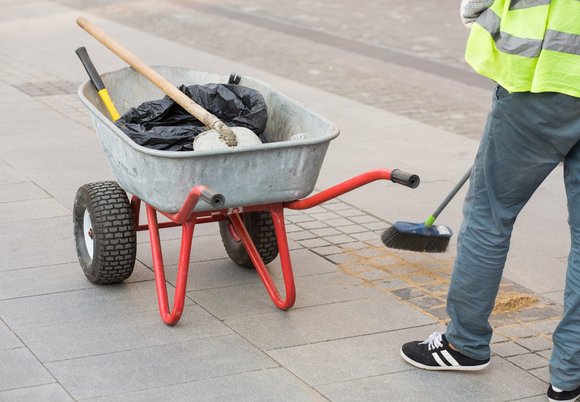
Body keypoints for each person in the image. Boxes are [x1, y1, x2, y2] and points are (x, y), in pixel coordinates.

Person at [399, 1, 580, 401]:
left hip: (541, 81)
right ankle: (570, 376)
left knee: (489, 216)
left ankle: (464, 343)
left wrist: (475, 13)